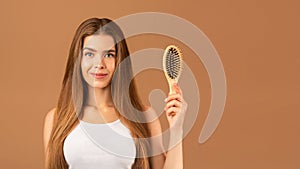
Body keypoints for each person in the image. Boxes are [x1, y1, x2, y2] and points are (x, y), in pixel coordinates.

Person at [43, 17, 187, 169]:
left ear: (120, 60)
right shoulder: (56, 119)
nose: (99, 64)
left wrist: (176, 129)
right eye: (90, 54)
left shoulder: (144, 117)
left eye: (109, 55)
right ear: (78, 60)